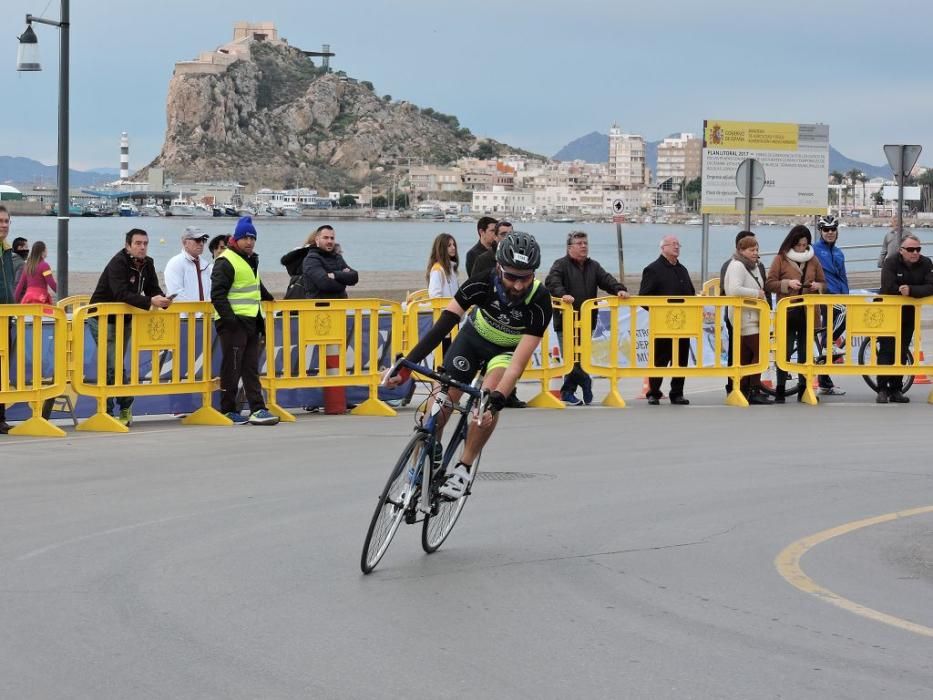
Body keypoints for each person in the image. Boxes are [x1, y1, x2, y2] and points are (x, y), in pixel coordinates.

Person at [386, 232, 551, 499]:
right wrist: (408, 364)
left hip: (506, 352)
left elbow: (517, 364)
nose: (518, 285)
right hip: (473, 340)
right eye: (512, 277)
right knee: (441, 401)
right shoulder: (481, 282)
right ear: (499, 267)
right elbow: (442, 326)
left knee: (484, 404)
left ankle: (464, 467)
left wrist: (497, 400)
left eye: (525, 277)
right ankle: (422, 463)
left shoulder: (540, 300)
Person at [89, 228, 174, 426]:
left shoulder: (148, 263)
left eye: (145, 243)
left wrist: (162, 298)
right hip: (102, 318)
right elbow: (121, 293)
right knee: (112, 365)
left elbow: (152, 288)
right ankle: (108, 410)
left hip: (125, 319)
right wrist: (149, 301)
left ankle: (124, 407)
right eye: (138, 243)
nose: (142, 247)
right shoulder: (118, 262)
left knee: (117, 364)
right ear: (128, 245)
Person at [545, 229, 628, 405]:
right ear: (570, 247)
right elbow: (552, 283)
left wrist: (619, 289)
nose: (584, 246)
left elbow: (606, 280)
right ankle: (582, 383)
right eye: (579, 243)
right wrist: (563, 295)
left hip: (587, 320)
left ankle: (569, 390)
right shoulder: (560, 265)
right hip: (566, 321)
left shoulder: (593, 266)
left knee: (581, 359)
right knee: (570, 359)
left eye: (585, 243)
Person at [210, 216, 279, 425]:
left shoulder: (250, 259)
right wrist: (231, 321)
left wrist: (269, 298)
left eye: (253, 238)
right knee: (231, 367)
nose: (249, 241)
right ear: (236, 239)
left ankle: (257, 409)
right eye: (245, 237)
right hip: (233, 323)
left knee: (250, 367)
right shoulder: (226, 260)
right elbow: (218, 295)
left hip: (251, 320)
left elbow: (255, 285)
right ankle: (228, 409)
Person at [765, 225, 825, 403]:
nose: (802, 248)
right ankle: (781, 388)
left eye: (805, 245)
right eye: (798, 245)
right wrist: (787, 284)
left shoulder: (813, 260)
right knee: (786, 350)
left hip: (809, 312)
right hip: (788, 312)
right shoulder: (780, 259)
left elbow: (824, 282)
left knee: (806, 352)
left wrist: (818, 287)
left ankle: (804, 387)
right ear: (792, 243)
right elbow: (769, 283)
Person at [639, 235, 696, 405]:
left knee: (681, 359)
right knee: (660, 359)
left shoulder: (682, 269)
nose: (677, 247)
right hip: (662, 323)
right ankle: (653, 392)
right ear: (663, 248)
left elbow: (691, 294)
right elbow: (643, 297)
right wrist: (659, 312)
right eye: (673, 244)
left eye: (679, 244)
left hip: (683, 323)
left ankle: (677, 393)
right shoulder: (653, 269)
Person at [877, 233, 933, 403]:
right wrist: (906, 291)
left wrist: (910, 291)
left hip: (909, 314)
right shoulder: (891, 262)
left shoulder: (926, 263)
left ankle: (896, 389)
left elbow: (931, 286)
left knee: (901, 351)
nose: (915, 252)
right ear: (901, 250)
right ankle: (882, 389)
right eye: (910, 249)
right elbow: (888, 286)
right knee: (887, 349)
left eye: (918, 249)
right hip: (888, 312)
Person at [723, 236, 772, 404]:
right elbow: (734, 289)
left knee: (745, 355)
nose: (755, 253)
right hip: (745, 317)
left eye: (757, 250)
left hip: (752, 315)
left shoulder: (753, 266)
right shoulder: (737, 265)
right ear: (741, 251)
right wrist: (756, 294)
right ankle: (752, 389)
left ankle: (742, 389)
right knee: (759, 352)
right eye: (751, 250)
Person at [812, 214, 848, 396]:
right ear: (820, 231)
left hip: (838, 296)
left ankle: (825, 383)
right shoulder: (814, 250)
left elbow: (843, 277)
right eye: (826, 229)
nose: (830, 232)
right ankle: (828, 343)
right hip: (824, 297)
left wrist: (847, 296)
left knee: (825, 345)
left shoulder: (839, 253)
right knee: (844, 313)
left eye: (833, 229)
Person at [301, 225, 359, 299]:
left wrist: (335, 275)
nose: (329, 241)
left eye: (332, 238)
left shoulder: (337, 257)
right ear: (317, 240)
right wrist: (344, 282)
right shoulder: (311, 259)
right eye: (325, 238)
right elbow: (325, 284)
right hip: (319, 307)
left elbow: (354, 277)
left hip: (339, 307)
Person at [163, 226, 212, 302]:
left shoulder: (206, 265)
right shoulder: (175, 263)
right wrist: (197, 311)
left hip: (205, 312)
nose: (202, 243)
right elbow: (176, 293)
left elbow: (209, 290)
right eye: (198, 240)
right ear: (185, 242)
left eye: (203, 240)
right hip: (183, 312)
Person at [0, 207, 14, 433]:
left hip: (7, 318)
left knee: (2, 371)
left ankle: (0, 417)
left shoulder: (7, 251)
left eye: (6, 221)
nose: (3, 225)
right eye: (0, 221)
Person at [281, 227, 322, 299]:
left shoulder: (298, 252)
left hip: (295, 285)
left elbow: (286, 262)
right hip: (311, 291)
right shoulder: (316, 254)